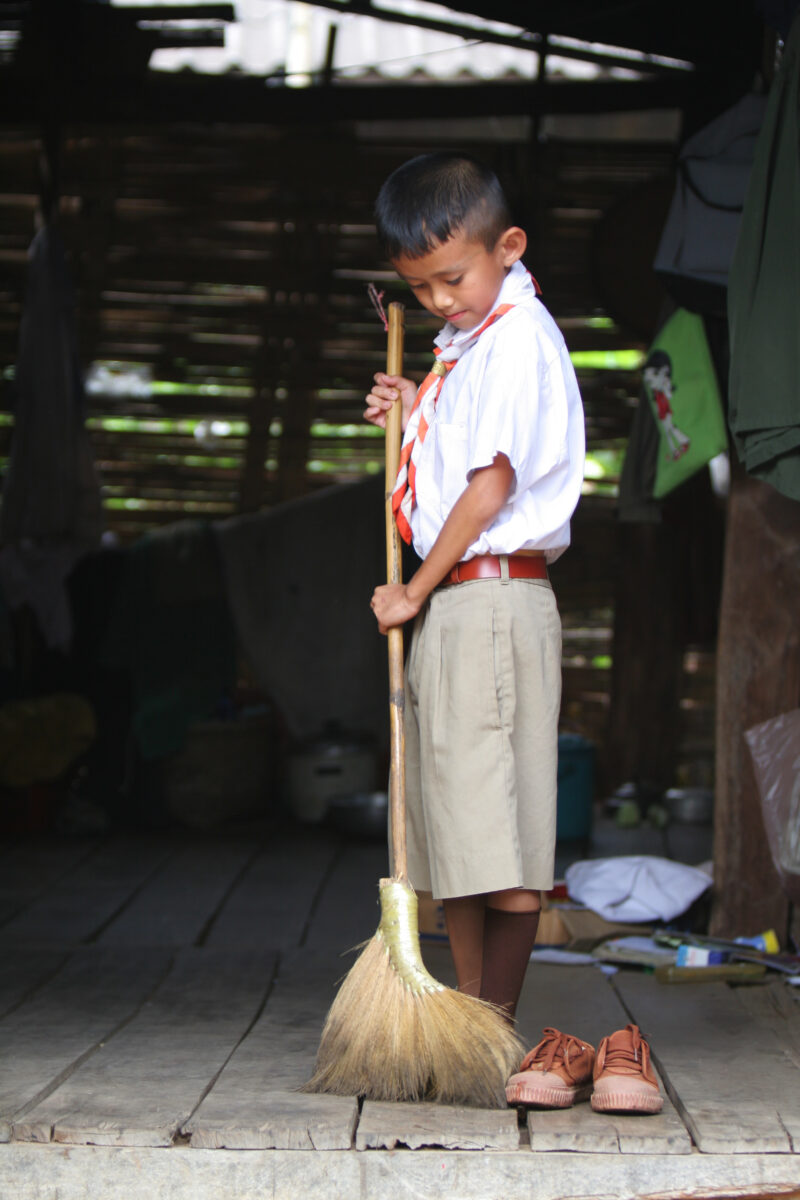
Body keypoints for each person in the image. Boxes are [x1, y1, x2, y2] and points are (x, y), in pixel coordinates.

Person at [364, 153, 585, 1025]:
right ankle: (466, 1024)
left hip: (488, 600)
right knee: (454, 829)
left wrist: (413, 590)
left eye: (452, 279)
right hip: (461, 605)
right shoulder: (472, 346)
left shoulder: (521, 336)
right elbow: (463, 460)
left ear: (509, 248)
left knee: (501, 836)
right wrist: (420, 402)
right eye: (418, 290)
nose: (439, 302)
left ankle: (489, 1028)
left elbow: (489, 490)